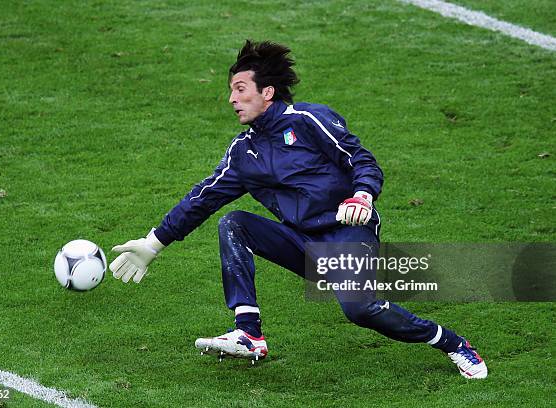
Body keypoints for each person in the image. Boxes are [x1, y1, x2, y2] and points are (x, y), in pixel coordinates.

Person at [110, 40, 487, 379]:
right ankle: (249, 333)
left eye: (240, 90)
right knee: (234, 223)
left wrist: (363, 196)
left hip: (347, 232)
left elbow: (362, 160)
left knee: (360, 310)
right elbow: (202, 198)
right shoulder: (243, 154)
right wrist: (153, 243)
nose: (232, 99)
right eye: (231, 91)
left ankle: (452, 342)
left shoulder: (308, 121)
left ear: (267, 92)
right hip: (303, 243)